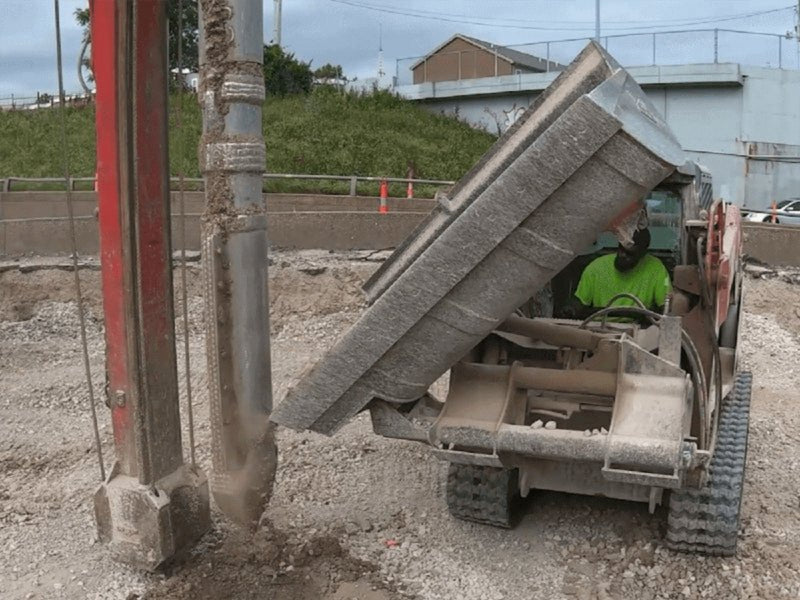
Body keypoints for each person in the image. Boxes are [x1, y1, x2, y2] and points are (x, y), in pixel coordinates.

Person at [572, 228, 671, 321]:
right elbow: (579, 304)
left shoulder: (656, 269)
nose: (622, 255)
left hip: (638, 330)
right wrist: (571, 309)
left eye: (629, 254)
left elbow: (666, 310)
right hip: (599, 327)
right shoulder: (596, 267)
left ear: (642, 254)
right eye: (621, 249)